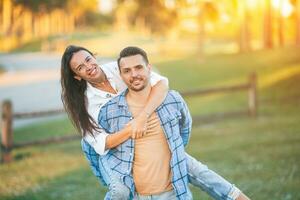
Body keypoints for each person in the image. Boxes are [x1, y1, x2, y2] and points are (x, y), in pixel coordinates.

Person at [60, 45, 250, 200]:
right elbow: (102, 144)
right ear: (77, 76)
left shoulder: (121, 68)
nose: (88, 66)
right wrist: (132, 128)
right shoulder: (86, 103)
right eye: (80, 67)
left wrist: (143, 118)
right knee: (121, 191)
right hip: (113, 150)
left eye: (88, 59)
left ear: (93, 56)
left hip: (146, 134)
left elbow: (162, 84)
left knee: (194, 168)